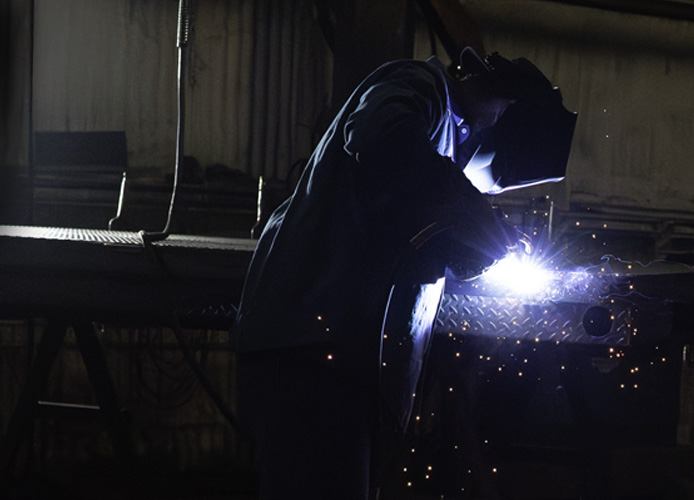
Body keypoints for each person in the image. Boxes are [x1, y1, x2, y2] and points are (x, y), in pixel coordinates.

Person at [230, 47, 575, 500]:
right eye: (499, 118)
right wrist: (476, 219)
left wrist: (474, 238)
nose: (490, 132)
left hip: (338, 358)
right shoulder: (418, 87)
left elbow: (410, 216)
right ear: (500, 101)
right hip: (311, 351)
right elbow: (383, 139)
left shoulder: (438, 149)